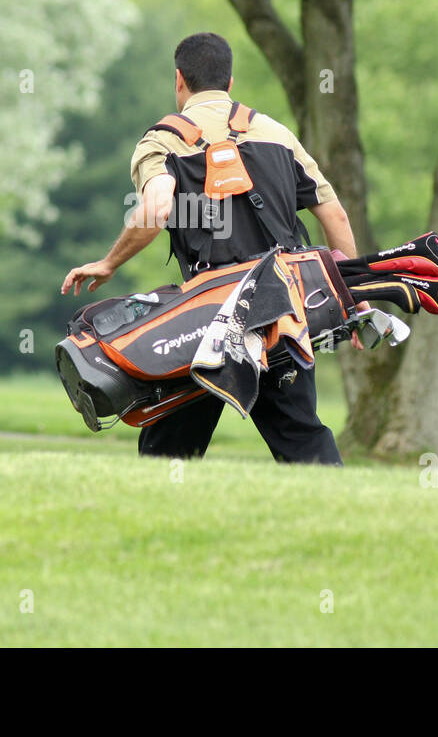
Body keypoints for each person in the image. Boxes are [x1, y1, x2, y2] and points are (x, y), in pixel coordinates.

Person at [60, 32, 367, 465]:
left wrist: (109, 263)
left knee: (169, 447)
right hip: (282, 311)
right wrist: (348, 301)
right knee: (301, 436)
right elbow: (334, 214)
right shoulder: (276, 134)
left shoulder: (164, 141)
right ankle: (341, 521)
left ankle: (156, 520)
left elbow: (155, 208)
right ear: (230, 81)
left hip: (206, 319)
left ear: (179, 80)